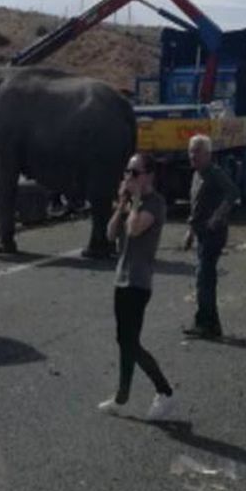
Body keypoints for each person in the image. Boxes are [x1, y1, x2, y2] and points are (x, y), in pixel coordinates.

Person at [98, 153, 175, 420]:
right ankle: (122, 396)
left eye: (135, 173)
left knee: (129, 342)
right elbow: (110, 234)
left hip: (139, 282)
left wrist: (135, 201)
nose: (129, 177)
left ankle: (164, 392)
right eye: (127, 172)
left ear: (149, 176)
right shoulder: (130, 202)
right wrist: (121, 204)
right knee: (125, 341)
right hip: (121, 278)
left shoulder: (155, 204)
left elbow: (134, 230)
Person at [182, 134, 239, 339]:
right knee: (204, 278)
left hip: (213, 234)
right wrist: (190, 232)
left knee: (204, 278)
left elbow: (232, 192)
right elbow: (195, 206)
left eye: (197, 151)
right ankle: (210, 324)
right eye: (191, 151)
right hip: (200, 232)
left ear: (208, 154)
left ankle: (205, 323)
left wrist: (217, 216)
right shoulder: (196, 175)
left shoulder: (214, 173)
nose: (192, 155)